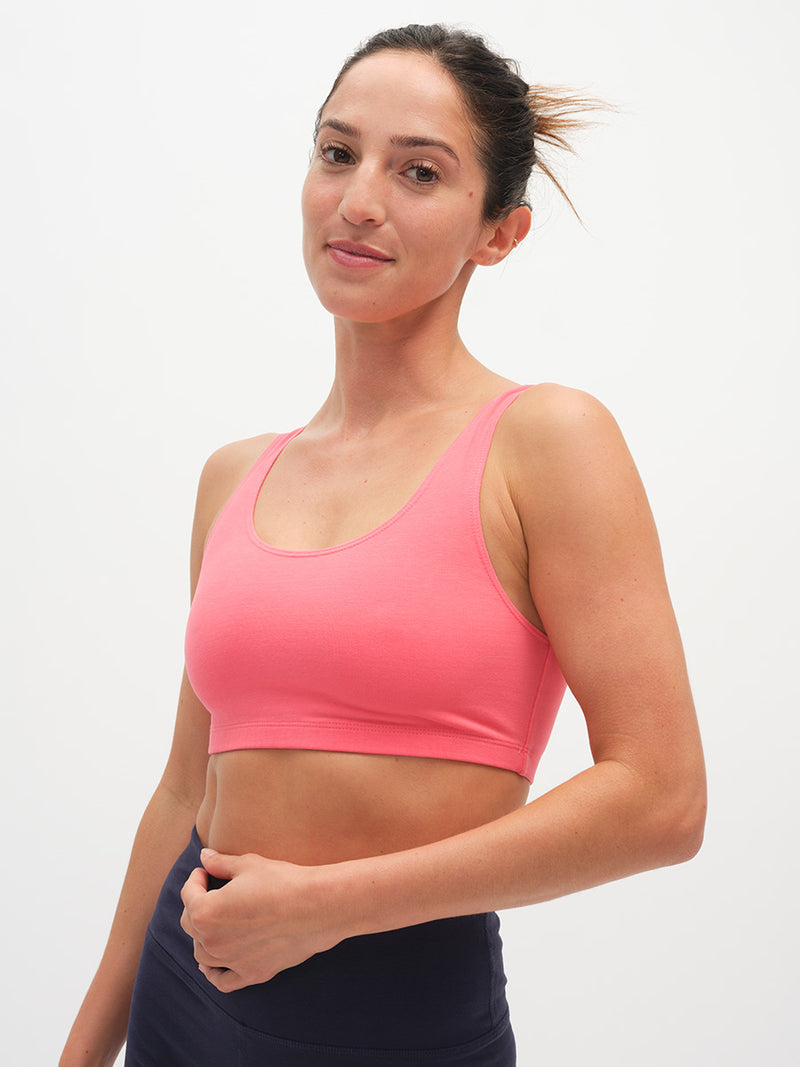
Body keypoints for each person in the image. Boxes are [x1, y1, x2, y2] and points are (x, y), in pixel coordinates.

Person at [60, 23, 706, 1067]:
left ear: (498, 233)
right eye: (337, 152)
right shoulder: (235, 475)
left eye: (418, 172)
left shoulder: (545, 441)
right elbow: (184, 790)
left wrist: (326, 906)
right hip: (185, 992)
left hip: (396, 1016)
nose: (359, 200)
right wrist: (85, 1049)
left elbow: (661, 799)